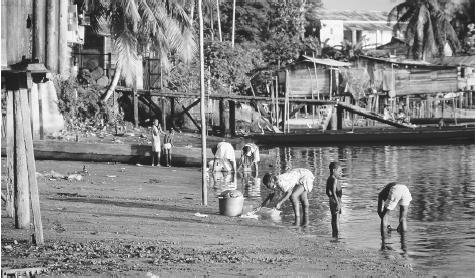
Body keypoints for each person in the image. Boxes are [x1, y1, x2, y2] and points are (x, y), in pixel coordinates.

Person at [326, 162, 342, 237]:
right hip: (336, 200)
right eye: (339, 171)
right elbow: (333, 191)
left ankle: (334, 234)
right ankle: (337, 236)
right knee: (337, 220)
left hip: (331, 200)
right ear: (333, 170)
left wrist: (331, 198)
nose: (340, 173)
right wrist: (338, 203)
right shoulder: (334, 180)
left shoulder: (329, 179)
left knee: (333, 218)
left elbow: (327, 192)